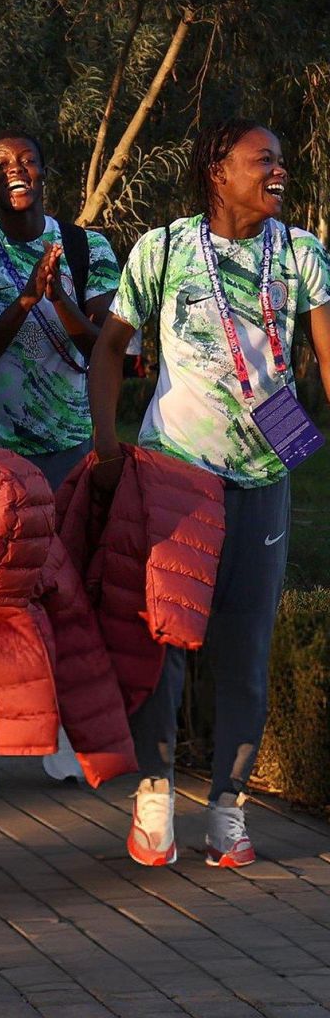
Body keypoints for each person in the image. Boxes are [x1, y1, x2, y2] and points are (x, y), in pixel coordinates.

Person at [90, 119, 330, 868]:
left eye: (283, 160)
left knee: (246, 651)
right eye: (265, 160)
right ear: (217, 171)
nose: (279, 170)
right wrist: (104, 450)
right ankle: (155, 797)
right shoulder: (162, 249)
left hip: (263, 476)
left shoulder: (301, 254)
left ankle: (229, 808)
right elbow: (109, 347)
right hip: (176, 476)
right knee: (165, 642)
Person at [0, 129, 121, 792]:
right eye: (0, 166)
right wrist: (22, 300)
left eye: (26, 161)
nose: (15, 172)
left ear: (46, 173)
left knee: (66, 596)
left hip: (69, 447)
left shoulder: (85, 248)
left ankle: (59, 737)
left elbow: (104, 348)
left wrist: (57, 300)